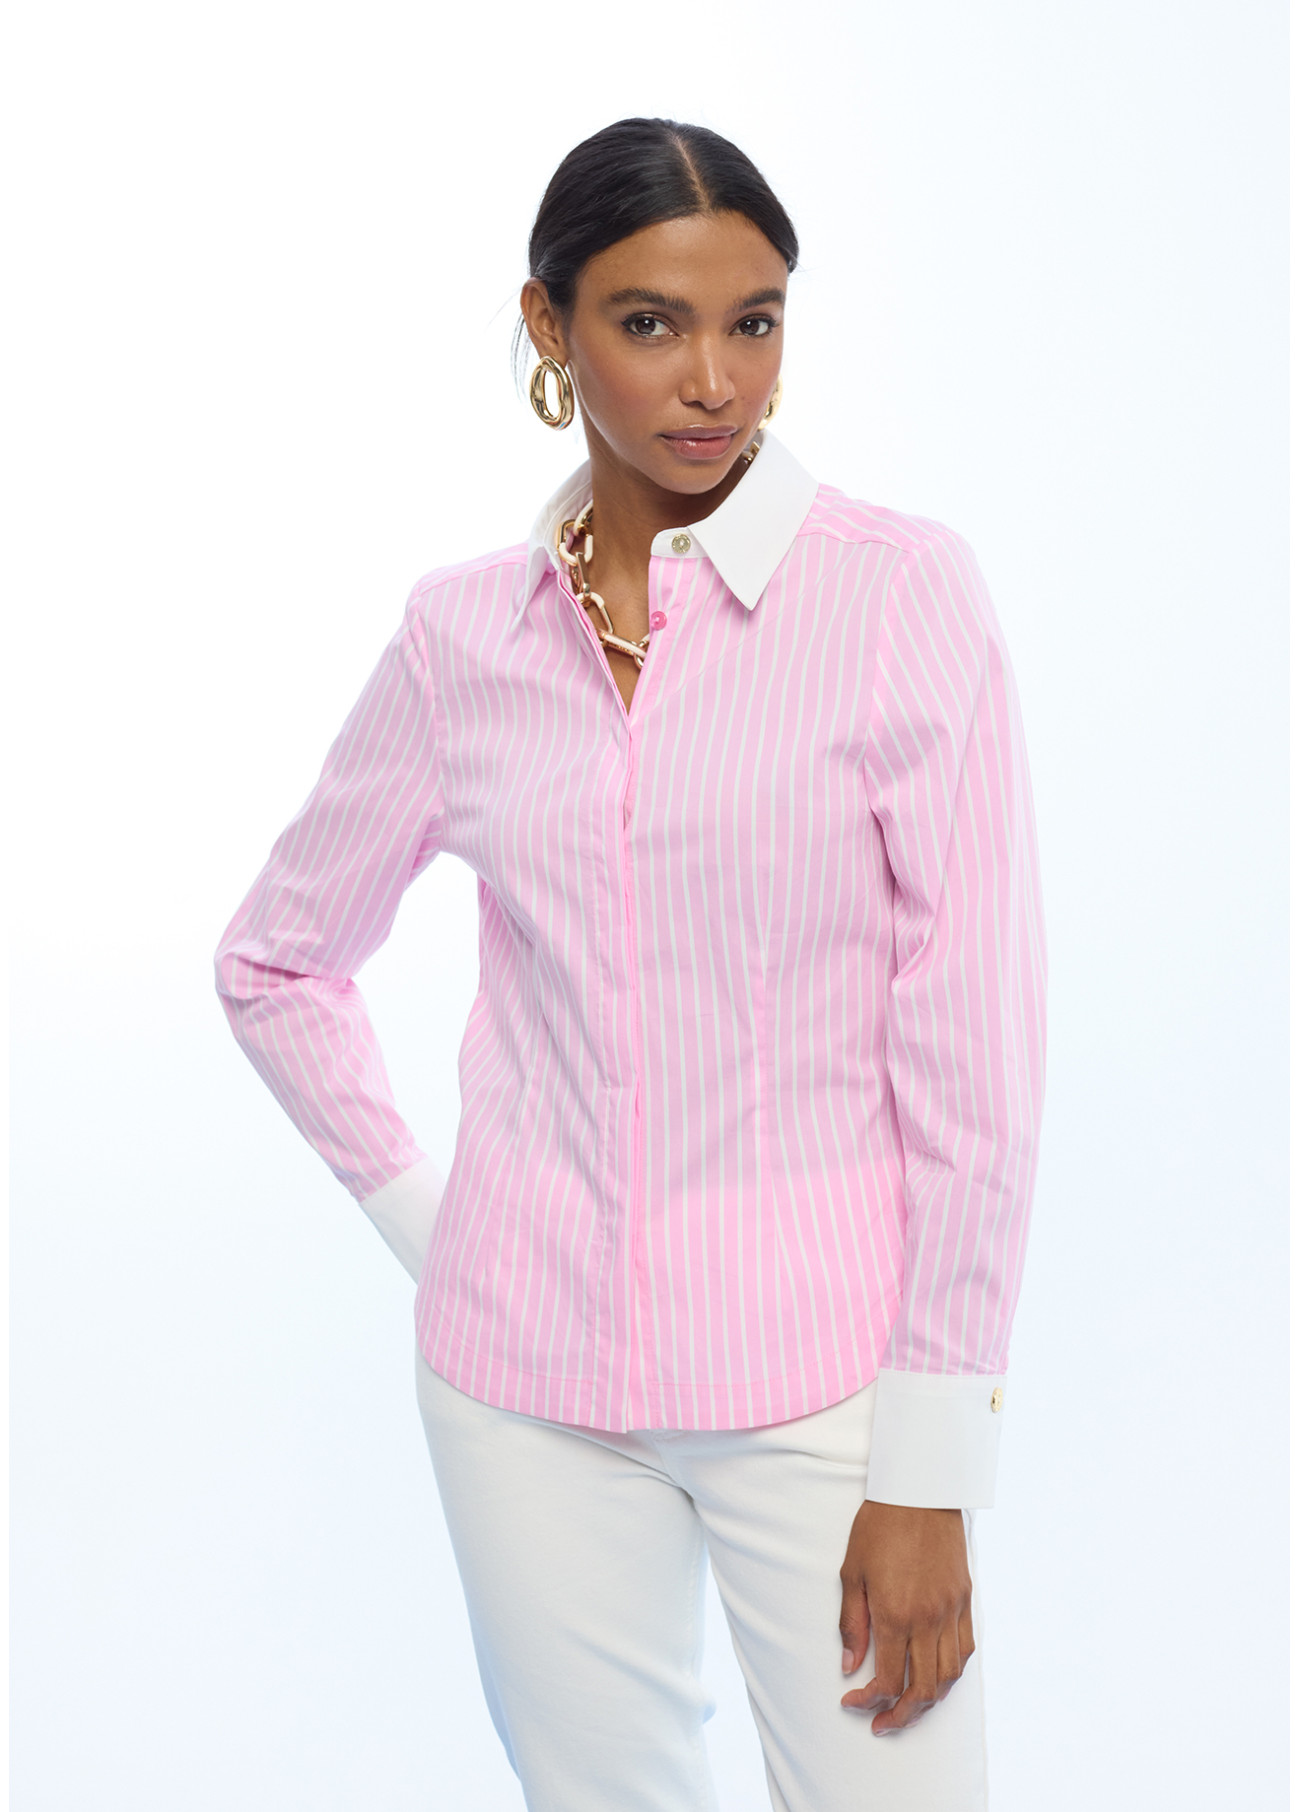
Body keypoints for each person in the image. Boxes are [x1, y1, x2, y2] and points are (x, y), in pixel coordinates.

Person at [214, 116, 1047, 1812]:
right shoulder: (464, 638)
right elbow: (277, 963)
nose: (715, 381)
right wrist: (450, 1235)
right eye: (651, 323)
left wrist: (931, 1464)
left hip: (824, 1389)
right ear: (550, 326)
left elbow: (978, 1064)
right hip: (525, 1393)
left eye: (756, 321)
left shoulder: (899, 599)